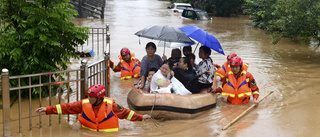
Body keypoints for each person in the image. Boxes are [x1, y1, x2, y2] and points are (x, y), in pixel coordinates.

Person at [35, 84, 151, 132]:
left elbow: (126, 114)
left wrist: (141, 117)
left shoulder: (112, 106)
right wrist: (48, 109)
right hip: (86, 131)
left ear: (100, 98)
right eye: (89, 96)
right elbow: (67, 108)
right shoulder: (84, 104)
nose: (89, 99)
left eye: (92, 97)